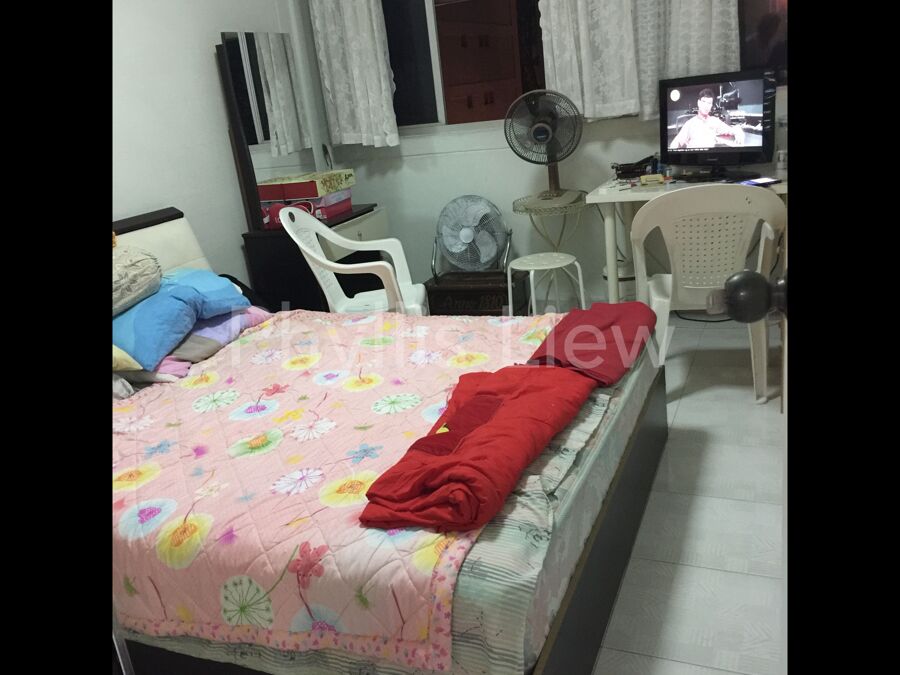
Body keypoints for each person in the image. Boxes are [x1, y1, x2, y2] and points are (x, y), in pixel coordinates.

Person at [669, 88, 745, 149]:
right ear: (698, 103)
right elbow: (676, 143)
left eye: (709, 103)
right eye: (704, 102)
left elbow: (733, 129)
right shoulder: (690, 124)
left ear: (711, 105)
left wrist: (739, 132)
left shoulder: (714, 121)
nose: (706, 106)